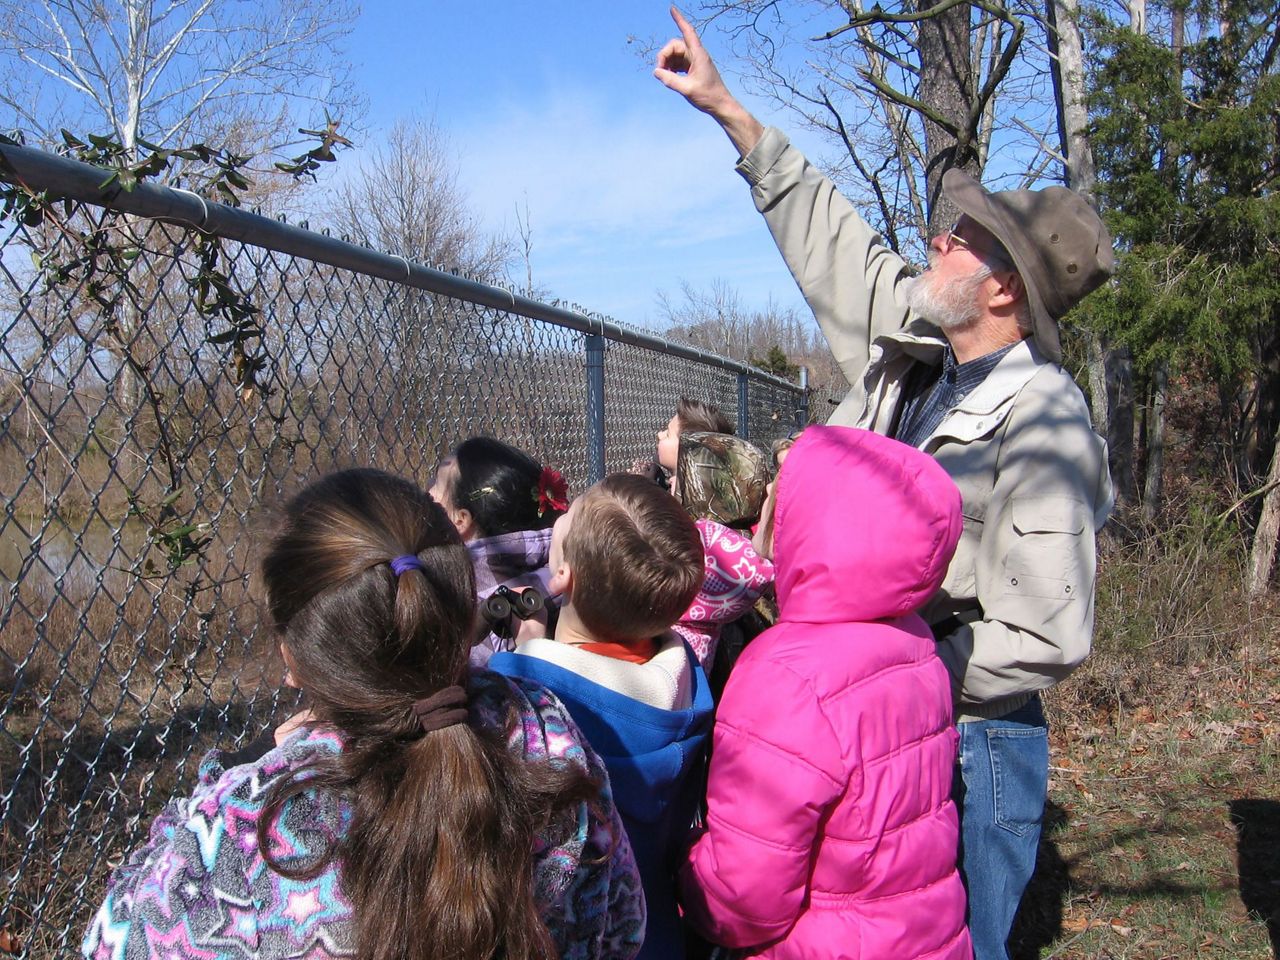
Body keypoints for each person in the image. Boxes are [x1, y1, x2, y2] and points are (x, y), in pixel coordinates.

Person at [656, 10, 1114, 959]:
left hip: (971, 744)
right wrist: (729, 112)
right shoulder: (908, 349)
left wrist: (908, 683)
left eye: (962, 240)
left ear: (1005, 289)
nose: (937, 242)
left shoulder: (1046, 419)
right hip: (874, 731)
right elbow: (831, 238)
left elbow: (1049, 629)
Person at [82, 468, 645, 960]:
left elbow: (110, 941)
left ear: (293, 658)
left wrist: (246, 765)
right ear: (453, 614)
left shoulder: (237, 827)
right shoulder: (547, 732)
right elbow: (624, 928)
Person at [680, 425, 972, 959]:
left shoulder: (787, 676)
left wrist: (680, 875)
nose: (767, 499)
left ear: (826, 520)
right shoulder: (912, 640)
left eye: (782, 491)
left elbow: (745, 901)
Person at [489, 473, 713, 960]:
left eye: (567, 517)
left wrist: (523, 658)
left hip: (565, 938)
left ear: (563, 574)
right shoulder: (688, 682)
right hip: (654, 931)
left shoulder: (518, 694)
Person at [429, 437, 569, 664]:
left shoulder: (462, 597)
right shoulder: (566, 566)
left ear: (460, 520)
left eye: (435, 484)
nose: (429, 494)